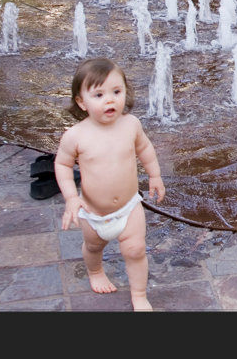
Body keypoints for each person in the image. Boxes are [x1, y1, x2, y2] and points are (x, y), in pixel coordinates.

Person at [54, 57, 165, 311]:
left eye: (117, 92)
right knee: (93, 246)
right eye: (99, 95)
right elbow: (62, 165)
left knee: (135, 250)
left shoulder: (131, 124)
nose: (110, 100)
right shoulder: (76, 136)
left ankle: (139, 295)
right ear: (82, 102)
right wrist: (71, 197)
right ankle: (95, 271)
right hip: (93, 213)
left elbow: (145, 149)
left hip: (129, 207)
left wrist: (155, 175)